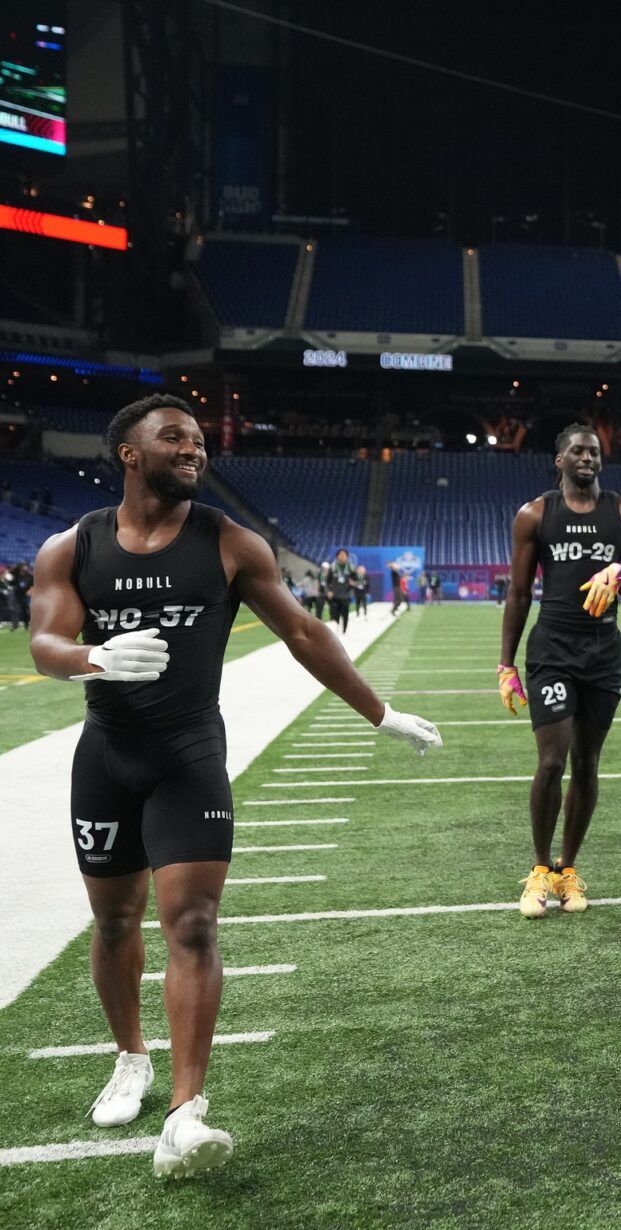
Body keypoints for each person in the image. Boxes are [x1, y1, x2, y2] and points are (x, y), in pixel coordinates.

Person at [27, 394, 442, 1179]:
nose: (193, 450)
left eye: (197, 440)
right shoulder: (71, 546)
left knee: (193, 925)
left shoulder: (229, 542)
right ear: (128, 453)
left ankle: (185, 1112)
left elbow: (304, 632)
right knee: (115, 923)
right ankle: (130, 1057)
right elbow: (45, 639)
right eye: (173, 438)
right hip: (107, 759)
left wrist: (378, 713)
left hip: (188, 758)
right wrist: (95, 658)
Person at [499, 423, 621, 918]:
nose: (587, 458)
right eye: (577, 452)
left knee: (587, 764)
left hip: (604, 655)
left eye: (595, 452)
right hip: (552, 652)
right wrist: (506, 664)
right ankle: (540, 870)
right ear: (559, 460)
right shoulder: (535, 515)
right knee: (551, 761)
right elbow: (519, 592)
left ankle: (568, 871)